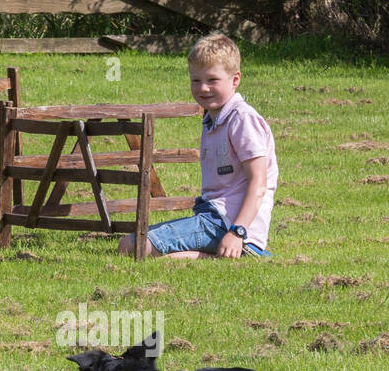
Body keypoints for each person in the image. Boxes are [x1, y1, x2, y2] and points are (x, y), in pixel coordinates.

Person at [119, 32, 277, 259]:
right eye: (196, 80)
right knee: (132, 242)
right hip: (211, 216)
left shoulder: (242, 119)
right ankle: (225, 257)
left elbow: (259, 183)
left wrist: (238, 231)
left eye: (212, 80)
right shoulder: (213, 119)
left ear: (235, 80)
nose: (203, 88)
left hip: (227, 224)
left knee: (132, 247)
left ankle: (241, 250)